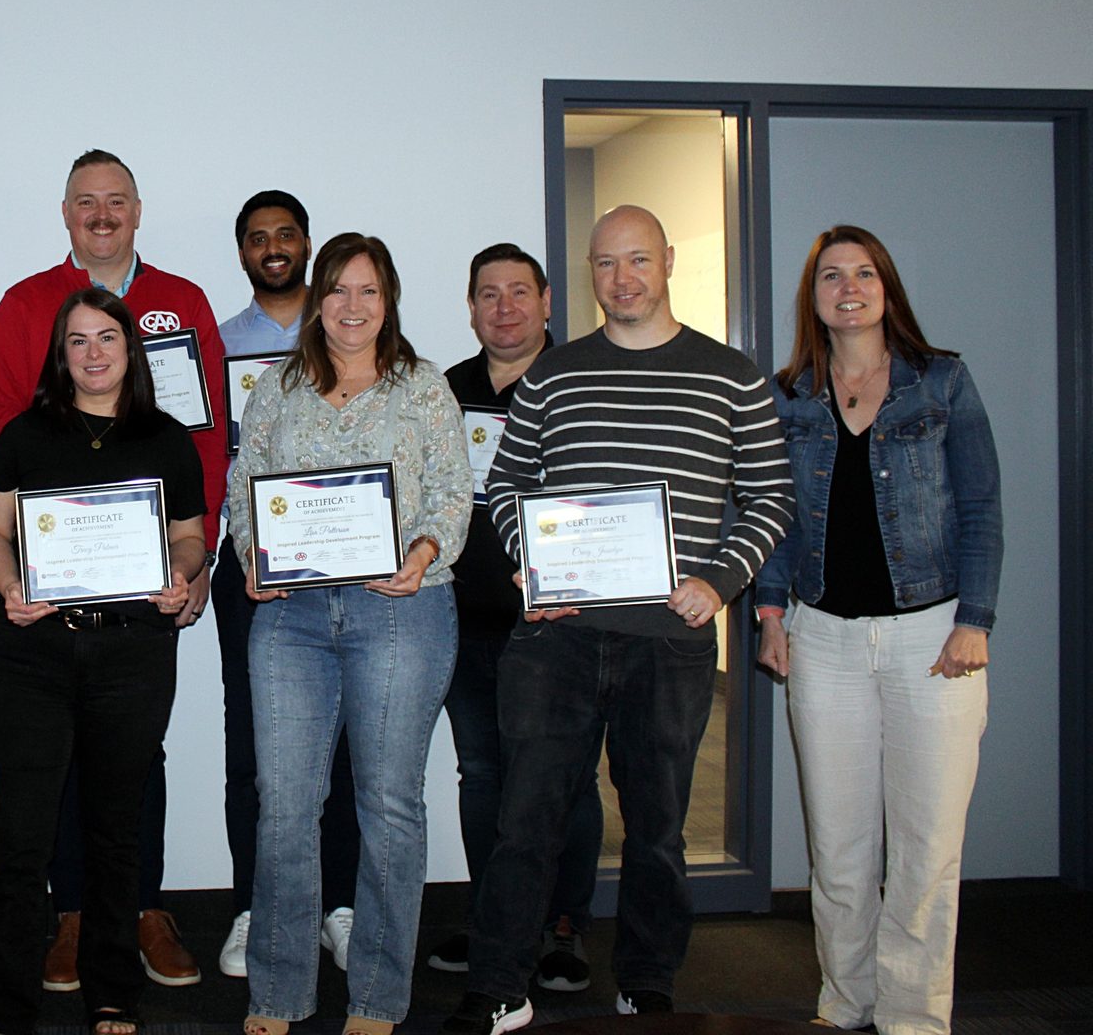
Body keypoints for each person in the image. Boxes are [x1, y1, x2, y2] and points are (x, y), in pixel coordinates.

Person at [446, 206, 795, 1035]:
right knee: (524, 818)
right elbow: (507, 489)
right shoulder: (554, 375)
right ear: (589, 274)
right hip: (556, 637)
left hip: (669, 644)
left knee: (658, 831)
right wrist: (533, 566)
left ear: (668, 260)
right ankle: (499, 985)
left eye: (638, 259)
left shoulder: (732, 375)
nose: (623, 278)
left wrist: (719, 580)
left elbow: (773, 495)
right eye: (606, 264)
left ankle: (647, 982)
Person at [0, 148, 226, 987]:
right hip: (48, 598)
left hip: (145, 589)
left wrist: (195, 564)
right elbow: (5, 435)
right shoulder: (24, 304)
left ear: (139, 209)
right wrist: (19, 578)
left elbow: (207, 440)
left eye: (117, 200)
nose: (103, 213)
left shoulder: (184, 303)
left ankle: (140, 905)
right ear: (66, 212)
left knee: (134, 757)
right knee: (55, 760)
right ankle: (73, 914)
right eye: (87, 201)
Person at [754, 226, 1000, 1035]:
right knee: (841, 851)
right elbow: (775, 515)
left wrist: (975, 621)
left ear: (886, 289)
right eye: (832, 275)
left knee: (926, 853)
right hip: (822, 638)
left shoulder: (942, 383)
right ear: (813, 295)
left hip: (932, 640)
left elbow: (982, 509)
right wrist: (769, 608)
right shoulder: (789, 393)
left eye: (864, 273)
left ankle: (914, 1017)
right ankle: (846, 1000)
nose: (848, 287)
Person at [229, 233, 470, 1035]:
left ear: (389, 298)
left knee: (389, 804)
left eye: (368, 291)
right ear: (317, 299)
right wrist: (251, 557)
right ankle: (279, 991)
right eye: (337, 291)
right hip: (291, 619)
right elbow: (242, 489)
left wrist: (425, 550)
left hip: (402, 609)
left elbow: (452, 493)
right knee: (286, 806)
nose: (352, 307)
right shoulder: (277, 389)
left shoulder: (423, 387)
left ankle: (375, 998)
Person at [426, 244, 602, 992]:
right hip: (467, 619)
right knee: (483, 774)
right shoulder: (444, 392)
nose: (504, 307)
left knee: (565, 777)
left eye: (519, 292)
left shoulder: (585, 382)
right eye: (488, 295)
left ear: (547, 301)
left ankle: (564, 923)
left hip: (558, 618)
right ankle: (496, 917)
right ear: (471, 308)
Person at [208, 191, 360, 979]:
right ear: (242, 253)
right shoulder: (218, 343)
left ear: (307, 244)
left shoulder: (346, 329)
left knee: (342, 740)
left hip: (344, 559)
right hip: (253, 567)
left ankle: (338, 906)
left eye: (285, 234)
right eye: (257, 238)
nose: (272, 247)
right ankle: (253, 906)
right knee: (252, 742)